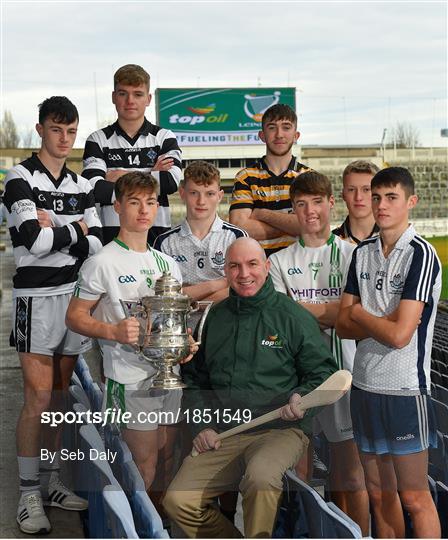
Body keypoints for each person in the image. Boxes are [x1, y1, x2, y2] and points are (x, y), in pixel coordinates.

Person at [163, 237, 337, 538]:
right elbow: (196, 380)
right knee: (179, 500)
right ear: (227, 272)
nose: (244, 274)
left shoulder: (292, 317)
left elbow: (324, 373)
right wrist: (202, 426)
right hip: (225, 432)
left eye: (252, 264)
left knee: (260, 479)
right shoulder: (215, 316)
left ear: (267, 267)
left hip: (280, 430)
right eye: (235, 266)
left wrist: (302, 397)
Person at [3, 96, 102, 534]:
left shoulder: (82, 185)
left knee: (61, 397)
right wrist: (74, 229)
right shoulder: (18, 177)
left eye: (71, 131)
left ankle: (52, 480)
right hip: (36, 299)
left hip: (74, 296)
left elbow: (97, 244)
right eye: (57, 129)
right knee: (39, 397)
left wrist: (55, 230)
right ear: (40, 128)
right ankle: (28, 493)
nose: (64, 138)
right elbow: (29, 238)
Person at [66, 171, 195, 506]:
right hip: (129, 377)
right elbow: (74, 317)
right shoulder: (101, 262)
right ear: (117, 206)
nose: (143, 210)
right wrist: (112, 331)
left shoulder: (166, 262)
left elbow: (173, 320)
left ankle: (158, 525)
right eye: (134, 202)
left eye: (150, 202)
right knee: (143, 464)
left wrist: (185, 344)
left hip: (168, 378)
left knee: (168, 456)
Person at [336, 167, 442, 538]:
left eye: (391, 197)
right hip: (363, 388)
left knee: (415, 498)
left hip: (404, 392)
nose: (381, 205)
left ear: (411, 201)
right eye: (376, 196)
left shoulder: (421, 255)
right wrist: (370, 320)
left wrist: (362, 313)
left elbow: (399, 336)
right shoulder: (362, 253)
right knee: (380, 495)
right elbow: (341, 325)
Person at [268, 171, 369, 535]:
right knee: (300, 474)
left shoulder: (354, 255)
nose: (310, 210)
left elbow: (349, 318)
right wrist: (330, 313)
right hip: (298, 378)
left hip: (346, 375)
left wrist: (304, 312)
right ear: (293, 209)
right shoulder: (279, 262)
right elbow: (283, 326)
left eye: (316, 201)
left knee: (351, 475)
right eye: (301, 203)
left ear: (331, 203)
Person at [82, 63, 182, 245]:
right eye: (123, 93)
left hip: (156, 241)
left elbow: (170, 182)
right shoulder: (97, 139)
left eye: (137, 94)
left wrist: (118, 176)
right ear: (114, 97)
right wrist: (151, 174)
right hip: (111, 242)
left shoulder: (164, 137)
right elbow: (94, 188)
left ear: (148, 98)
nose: (130, 101)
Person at [154, 160, 247, 302]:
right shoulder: (164, 242)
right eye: (194, 193)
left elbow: (243, 287)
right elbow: (163, 295)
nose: (201, 201)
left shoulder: (235, 237)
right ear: (182, 194)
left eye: (209, 194)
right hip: (180, 322)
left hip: (226, 319)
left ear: (220, 196)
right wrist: (217, 284)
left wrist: (189, 295)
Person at [229, 104, 310, 257]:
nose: (279, 134)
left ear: (296, 135)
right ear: (262, 135)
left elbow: (309, 226)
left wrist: (262, 214)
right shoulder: (246, 177)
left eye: (286, 127)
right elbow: (239, 227)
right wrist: (291, 224)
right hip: (258, 270)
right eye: (272, 128)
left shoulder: (308, 178)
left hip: (300, 268)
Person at [333, 160, 380, 244]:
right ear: (343, 195)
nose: (358, 197)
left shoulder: (395, 239)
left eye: (366, 189)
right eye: (351, 190)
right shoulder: (328, 244)